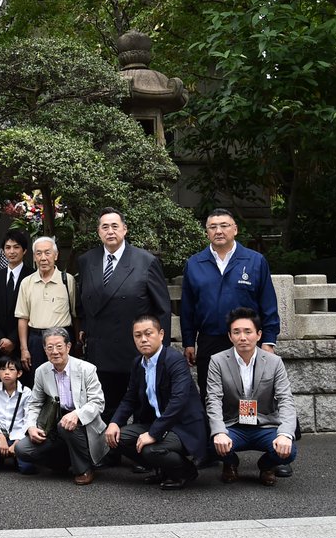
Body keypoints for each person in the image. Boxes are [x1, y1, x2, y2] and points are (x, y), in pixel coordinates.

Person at [180, 209, 286, 473]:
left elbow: (268, 305)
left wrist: (268, 341)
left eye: (224, 225)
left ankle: (275, 450)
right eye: (213, 226)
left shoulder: (254, 260)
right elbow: (188, 307)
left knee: (256, 393)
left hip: (247, 340)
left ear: (235, 229)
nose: (219, 231)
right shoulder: (195, 263)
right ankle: (221, 452)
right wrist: (188, 341)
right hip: (210, 339)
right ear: (206, 232)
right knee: (212, 396)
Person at [76, 209, 172, 423]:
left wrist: (160, 349)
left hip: (135, 349)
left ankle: (139, 451)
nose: (110, 231)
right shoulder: (86, 261)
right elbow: (82, 302)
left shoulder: (146, 261)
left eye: (115, 226)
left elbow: (162, 308)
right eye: (104, 227)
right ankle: (108, 454)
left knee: (141, 409)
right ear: (98, 232)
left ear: (125, 229)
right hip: (99, 350)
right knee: (104, 409)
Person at [105, 315, 208, 490]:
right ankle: (163, 469)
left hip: (182, 426)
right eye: (138, 335)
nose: (143, 339)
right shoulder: (138, 363)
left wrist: (153, 433)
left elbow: (178, 401)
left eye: (148, 333)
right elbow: (129, 398)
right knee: (117, 438)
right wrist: (114, 423)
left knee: (150, 449)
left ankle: (185, 471)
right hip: (157, 422)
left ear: (161, 335)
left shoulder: (174, 360)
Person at [207, 307, 298, 486]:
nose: (242, 337)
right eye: (237, 332)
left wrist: (286, 434)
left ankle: (265, 466)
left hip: (265, 424)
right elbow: (213, 399)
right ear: (229, 336)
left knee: (289, 451)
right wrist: (218, 432)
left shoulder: (274, 362)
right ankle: (231, 463)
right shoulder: (217, 361)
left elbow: (286, 399)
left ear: (258, 334)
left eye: (248, 332)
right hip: (233, 424)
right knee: (211, 446)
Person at [15, 329, 107, 483]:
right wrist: (30, 426)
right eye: (49, 347)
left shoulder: (87, 369)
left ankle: (85, 468)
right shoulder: (41, 371)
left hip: (83, 424)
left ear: (68, 347)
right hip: (54, 424)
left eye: (59, 346)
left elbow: (98, 403)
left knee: (66, 426)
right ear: (44, 349)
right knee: (22, 449)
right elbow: (34, 403)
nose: (55, 351)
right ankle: (63, 463)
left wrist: (77, 414)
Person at [15, 236, 75, 384]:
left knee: (64, 381)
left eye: (47, 253)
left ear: (56, 255)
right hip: (36, 340)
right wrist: (24, 349)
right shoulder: (27, 282)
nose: (43, 258)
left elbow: (75, 314)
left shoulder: (67, 280)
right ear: (34, 257)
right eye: (39, 253)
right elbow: (23, 318)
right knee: (38, 382)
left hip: (62, 338)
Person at [0, 229, 34, 383]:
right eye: (8, 247)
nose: (12, 251)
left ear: (24, 250)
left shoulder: (32, 276)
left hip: (22, 344)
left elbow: (31, 312)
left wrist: (13, 340)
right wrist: (0, 339)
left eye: (16, 247)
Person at [0, 356, 36, 474]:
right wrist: (1, 438)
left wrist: (17, 443)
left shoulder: (26, 392)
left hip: (19, 436)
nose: (6, 373)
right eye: (3, 369)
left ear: (19, 373)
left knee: (28, 469)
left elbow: (28, 419)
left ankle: (16, 456)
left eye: (11, 369)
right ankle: (0, 455)